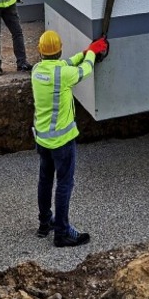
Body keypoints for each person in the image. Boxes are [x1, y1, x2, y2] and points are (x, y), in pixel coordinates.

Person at [31, 29, 109, 247]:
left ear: (40, 52)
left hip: (42, 139)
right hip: (62, 142)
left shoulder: (37, 70)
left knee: (45, 180)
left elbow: (66, 65)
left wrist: (85, 51)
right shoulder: (63, 75)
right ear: (60, 50)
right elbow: (85, 70)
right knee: (64, 184)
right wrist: (92, 54)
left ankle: (45, 223)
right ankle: (62, 232)